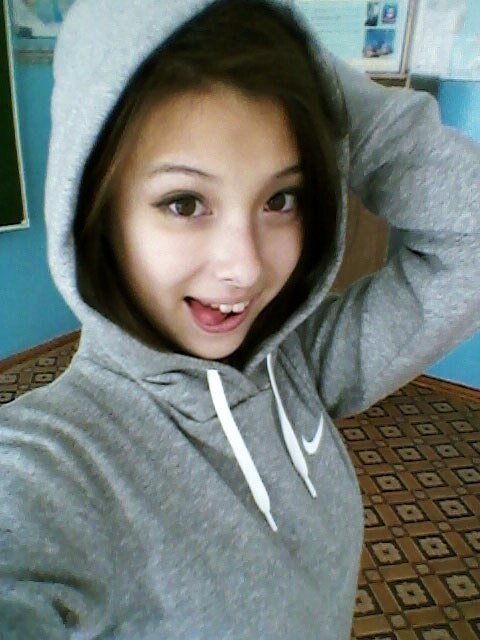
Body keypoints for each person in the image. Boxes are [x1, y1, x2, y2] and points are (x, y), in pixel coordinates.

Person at [1, 0, 479, 638]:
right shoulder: (54, 469)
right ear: (95, 209)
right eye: (184, 203)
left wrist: (311, 81)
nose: (247, 267)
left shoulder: (301, 362)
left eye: (280, 198)